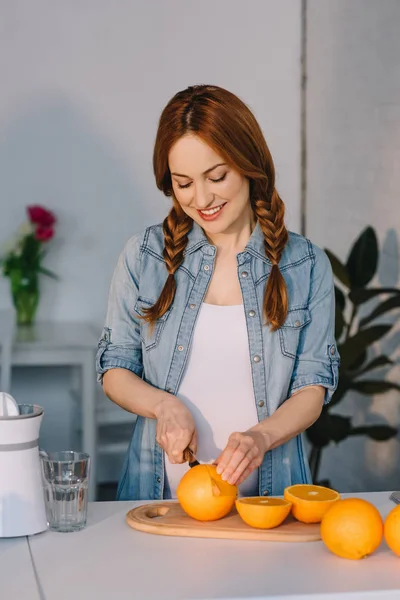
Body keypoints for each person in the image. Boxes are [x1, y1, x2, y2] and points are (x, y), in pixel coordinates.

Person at [96, 84, 339, 501]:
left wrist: (260, 438)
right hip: (153, 498)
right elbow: (115, 368)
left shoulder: (307, 264)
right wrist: (163, 406)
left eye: (217, 176)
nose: (202, 199)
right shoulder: (144, 256)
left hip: (271, 503)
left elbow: (311, 389)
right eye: (183, 183)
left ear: (248, 164)